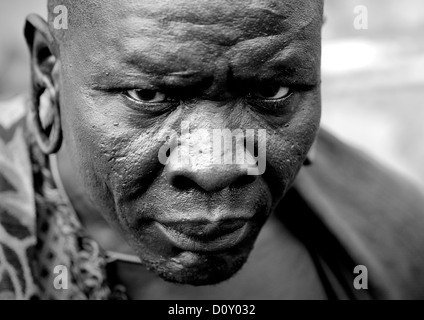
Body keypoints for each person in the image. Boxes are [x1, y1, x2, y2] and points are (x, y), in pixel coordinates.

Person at [1, 0, 424, 300]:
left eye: (270, 90)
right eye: (148, 95)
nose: (215, 166)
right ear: (48, 73)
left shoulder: (399, 234)